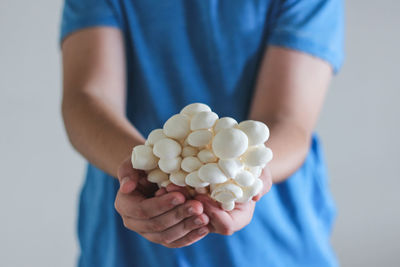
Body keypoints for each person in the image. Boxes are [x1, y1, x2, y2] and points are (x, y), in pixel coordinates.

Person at [60, 0, 344, 266]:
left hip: (269, 240)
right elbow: (87, 96)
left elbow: (288, 120)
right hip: (130, 226)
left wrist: (250, 177)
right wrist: (139, 168)